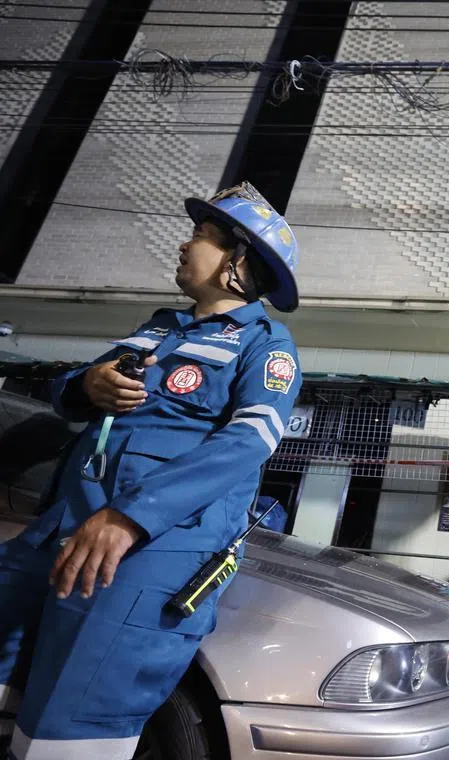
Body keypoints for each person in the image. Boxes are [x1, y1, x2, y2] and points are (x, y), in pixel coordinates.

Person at [0, 182, 301, 759]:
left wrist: (131, 517)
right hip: (57, 529)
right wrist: (88, 385)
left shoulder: (266, 348)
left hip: (142, 550)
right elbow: (70, 393)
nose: (185, 246)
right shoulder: (160, 327)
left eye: (202, 237)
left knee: (73, 724)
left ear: (239, 263)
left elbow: (249, 440)